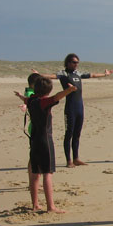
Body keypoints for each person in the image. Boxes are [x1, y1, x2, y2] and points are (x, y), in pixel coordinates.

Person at [33, 53, 113, 167]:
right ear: (68, 63)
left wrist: (105, 74)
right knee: (69, 134)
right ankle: (69, 161)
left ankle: (76, 158)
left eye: (77, 62)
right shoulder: (63, 73)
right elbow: (52, 76)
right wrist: (39, 75)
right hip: (70, 108)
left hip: (79, 107)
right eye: (74, 62)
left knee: (77, 134)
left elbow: (92, 75)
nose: (76, 64)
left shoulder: (78, 73)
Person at [26, 76, 77, 212]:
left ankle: (35, 204)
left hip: (34, 139)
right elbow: (57, 97)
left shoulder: (31, 100)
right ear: (48, 90)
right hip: (45, 141)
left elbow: (25, 99)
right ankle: (51, 206)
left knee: (35, 173)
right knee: (47, 173)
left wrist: (20, 96)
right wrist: (70, 90)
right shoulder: (44, 102)